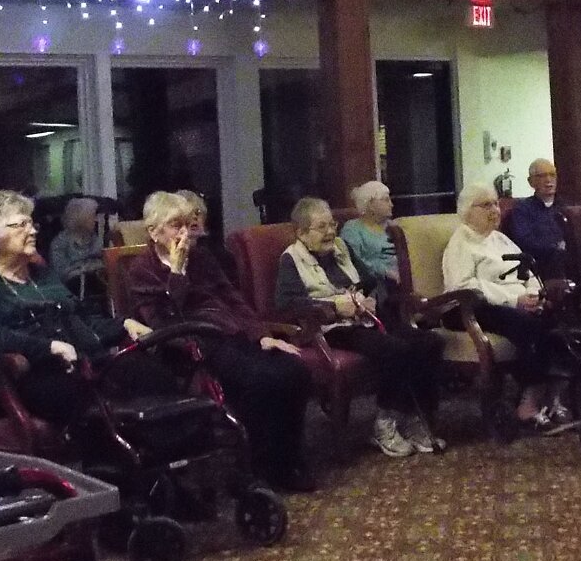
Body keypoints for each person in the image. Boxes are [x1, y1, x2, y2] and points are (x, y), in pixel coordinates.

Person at [123, 191, 317, 493]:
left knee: (294, 371)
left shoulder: (202, 257)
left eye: (188, 224)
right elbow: (163, 322)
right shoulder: (142, 270)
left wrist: (263, 335)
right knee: (259, 380)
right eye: (176, 225)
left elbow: (232, 298)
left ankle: (287, 461)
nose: (186, 233)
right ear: (154, 231)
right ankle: (256, 469)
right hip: (192, 345)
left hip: (231, 332)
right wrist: (176, 272)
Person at [0, 191, 170, 429]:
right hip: (27, 379)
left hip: (81, 365)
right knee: (92, 399)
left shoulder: (41, 273)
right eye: (21, 225)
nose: (32, 231)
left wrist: (123, 324)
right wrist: (47, 347)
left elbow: (80, 318)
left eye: (31, 223)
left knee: (150, 373)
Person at [276, 197, 446, 457]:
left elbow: (367, 279)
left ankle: (414, 418)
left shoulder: (341, 247)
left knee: (430, 342)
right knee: (395, 349)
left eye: (332, 224)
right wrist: (335, 307)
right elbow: (287, 303)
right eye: (321, 227)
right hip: (330, 328)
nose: (330, 232)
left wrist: (366, 297)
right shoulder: (291, 259)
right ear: (301, 233)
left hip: (361, 316)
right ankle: (385, 423)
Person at [443, 183, 574, 434]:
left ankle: (552, 396)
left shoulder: (500, 239)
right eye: (486, 205)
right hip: (472, 308)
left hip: (514, 302)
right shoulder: (461, 242)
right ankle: (528, 405)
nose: (495, 210)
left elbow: (527, 270)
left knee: (559, 318)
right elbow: (463, 286)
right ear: (467, 211)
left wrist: (537, 295)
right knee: (528, 326)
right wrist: (515, 300)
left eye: (495, 204)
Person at [505, 158, 571, 280]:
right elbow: (524, 241)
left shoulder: (566, 207)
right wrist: (555, 247)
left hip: (569, 261)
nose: (548, 180)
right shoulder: (523, 209)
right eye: (541, 176)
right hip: (541, 264)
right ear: (531, 182)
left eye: (552, 175)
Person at [340, 180, 403, 306]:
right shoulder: (352, 229)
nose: (391, 204)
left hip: (402, 277)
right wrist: (384, 271)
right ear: (370, 205)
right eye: (386, 200)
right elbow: (354, 261)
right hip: (376, 283)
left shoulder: (393, 227)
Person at [48, 195, 108, 298]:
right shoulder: (60, 242)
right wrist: (83, 269)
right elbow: (60, 272)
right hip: (71, 289)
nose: (96, 220)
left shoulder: (95, 238)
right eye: (93, 216)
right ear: (81, 218)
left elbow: (102, 261)